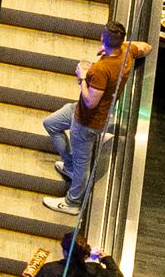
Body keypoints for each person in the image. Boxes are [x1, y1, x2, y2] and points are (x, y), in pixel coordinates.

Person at [41, 23, 148, 211]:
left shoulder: (102, 70)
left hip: (87, 120)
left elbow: (91, 102)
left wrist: (82, 77)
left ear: (102, 39)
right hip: (81, 111)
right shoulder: (126, 51)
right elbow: (147, 47)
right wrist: (117, 47)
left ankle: (72, 202)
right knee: (51, 123)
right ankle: (69, 165)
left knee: (82, 164)